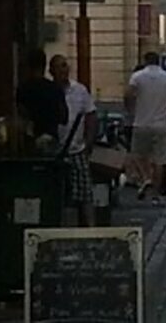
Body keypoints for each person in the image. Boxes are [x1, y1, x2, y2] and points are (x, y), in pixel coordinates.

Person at [51, 55, 97, 227]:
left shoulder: (79, 90)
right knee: (59, 194)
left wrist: (89, 142)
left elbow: (91, 115)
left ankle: (91, 229)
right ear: (52, 71)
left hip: (77, 150)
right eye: (59, 66)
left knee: (85, 193)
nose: (64, 70)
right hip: (54, 152)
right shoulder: (49, 91)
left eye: (65, 66)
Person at [126, 52, 166, 203]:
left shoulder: (137, 76)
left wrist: (131, 110)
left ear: (145, 61)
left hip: (141, 123)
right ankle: (156, 194)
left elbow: (128, 94)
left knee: (137, 155)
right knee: (159, 160)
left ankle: (146, 178)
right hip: (160, 124)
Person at [16, 48, 68, 145]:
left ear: (28, 66)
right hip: (50, 139)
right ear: (44, 65)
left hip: (30, 140)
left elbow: (21, 114)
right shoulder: (55, 89)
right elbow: (63, 117)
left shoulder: (23, 89)